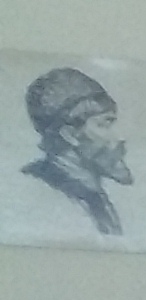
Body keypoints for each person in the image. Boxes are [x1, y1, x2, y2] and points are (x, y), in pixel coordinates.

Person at [20, 64, 132, 239]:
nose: (121, 137)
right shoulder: (40, 200)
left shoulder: (95, 199)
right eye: (105, 124)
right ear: (70, 135)